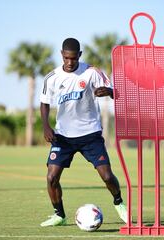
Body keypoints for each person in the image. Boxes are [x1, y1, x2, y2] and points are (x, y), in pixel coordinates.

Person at [39, 38, 127, 227]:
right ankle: (59, 215)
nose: (70, 62)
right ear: (62, 54)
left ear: (80, 55)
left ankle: (119, 202)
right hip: (62, 136)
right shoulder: (52, 77)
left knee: (107, 176)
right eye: (67, 58)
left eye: (74, 58)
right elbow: (44, 102)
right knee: (51, 177)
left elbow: (116, 91)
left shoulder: (91, 73)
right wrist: (46, 126)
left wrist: (109, 91)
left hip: (90, 134)